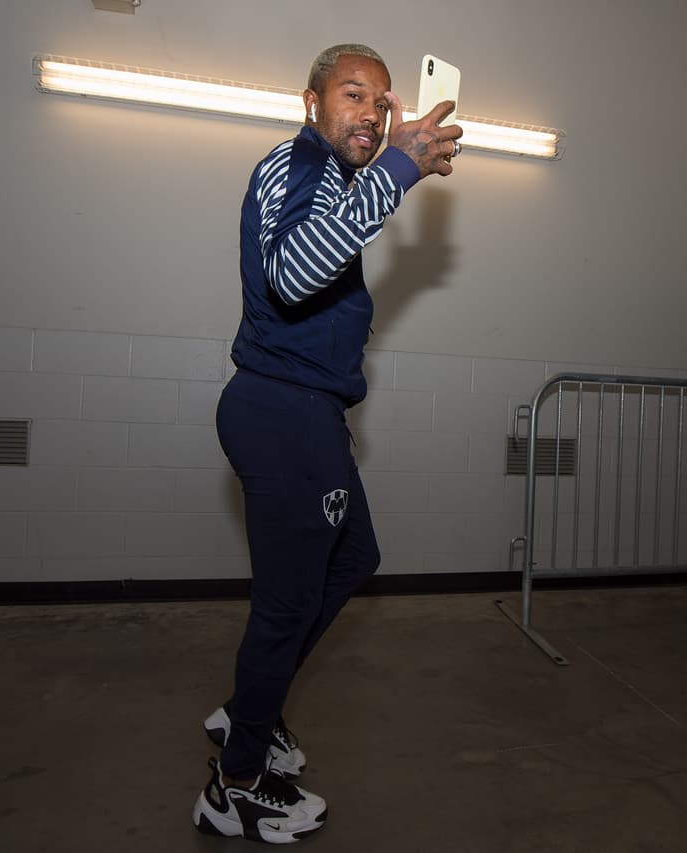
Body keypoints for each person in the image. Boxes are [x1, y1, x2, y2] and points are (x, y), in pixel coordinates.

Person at [191, 43, 463, 843]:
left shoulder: (340, 184)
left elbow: (320, 259)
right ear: (312, 104)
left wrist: (385, 178)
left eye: (381, 104)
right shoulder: (298, 162)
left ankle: (252, 710)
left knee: (352, 559)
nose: (372, 114)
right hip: (282, 409)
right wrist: (398, 171)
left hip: (305, 412)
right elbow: (294, 273)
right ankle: (235, 780)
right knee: (284, 606)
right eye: (353, 96)